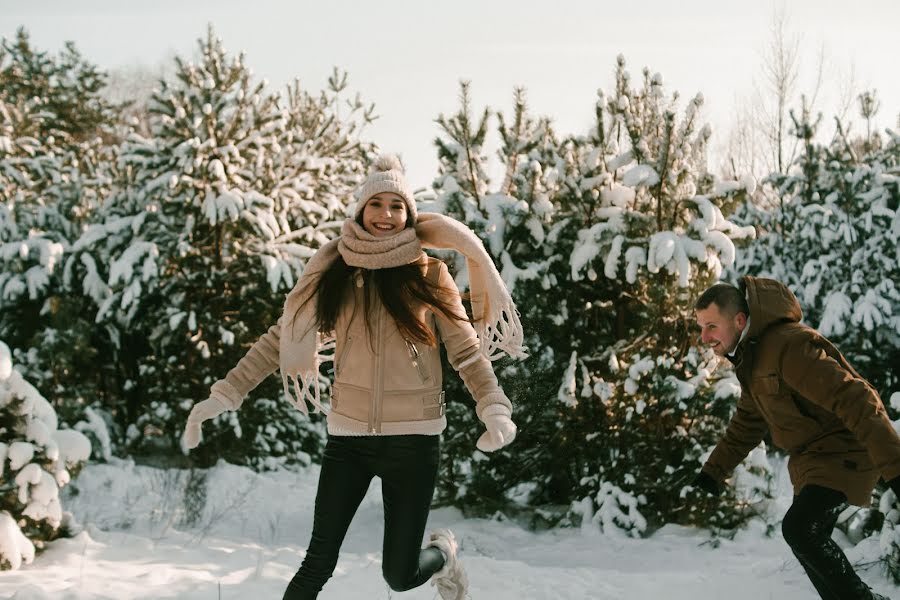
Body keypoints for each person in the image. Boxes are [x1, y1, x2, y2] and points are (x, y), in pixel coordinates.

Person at [182, 154, 525, 600]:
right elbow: (279, 340)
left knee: (399, 577)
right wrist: (225, 393)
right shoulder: (337, 276)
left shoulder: (430, 275)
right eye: (376, 204)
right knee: (316, 563)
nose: (386, 215)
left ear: (409, 214)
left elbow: (466, 352)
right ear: (361, 209)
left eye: (396, 206)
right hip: (349, 440)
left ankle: (443, 556)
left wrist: (493, 407)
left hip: (414, 442)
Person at [692, 277, 900, 600]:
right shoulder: (752, 360)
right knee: (806, 539)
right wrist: (713, 471)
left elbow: (857, 399)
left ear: (739, 320)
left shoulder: (788, 347)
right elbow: (746, 424)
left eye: (711, 326)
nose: (704, 337)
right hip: (816, 461)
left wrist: (896, 468)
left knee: (800, 529)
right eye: (701, 328)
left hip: (845, 451)